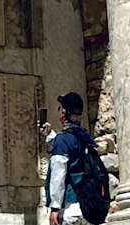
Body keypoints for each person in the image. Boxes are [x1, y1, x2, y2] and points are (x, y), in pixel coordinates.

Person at [42, 92, 98, 225]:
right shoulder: (85, 138)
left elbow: (58, 173)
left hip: (68, 208)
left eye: (60, 108)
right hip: (85, 209)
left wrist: (55, 208)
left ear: (64, 113)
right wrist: (50, 136)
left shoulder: (63, 140)